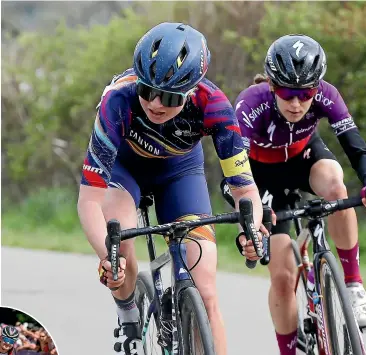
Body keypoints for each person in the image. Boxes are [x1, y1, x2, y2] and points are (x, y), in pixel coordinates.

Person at [77, 22, 265, 355]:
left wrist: (251, 230)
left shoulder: (214, 106)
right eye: (147, 91)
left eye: (169, 96)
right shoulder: (117, 101)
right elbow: (89, 200)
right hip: (124, 171)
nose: (155, 103)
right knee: (123, 245)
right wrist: (110, 257)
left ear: (193, 90)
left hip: (179, 171)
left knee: (206, 292)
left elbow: (243, 188)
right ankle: (128, 317)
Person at [231, 34, 366, 354]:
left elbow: (357, 148)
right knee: (281, 275)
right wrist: (250, 222)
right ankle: (289, 349)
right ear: (273, 87)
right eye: (288, 93)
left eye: (305, 94)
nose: (296, 103)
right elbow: (235, 176)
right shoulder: (250, 104)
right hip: (260, 179)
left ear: (316, 89)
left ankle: (353, 284)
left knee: (337, 184)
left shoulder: (327, 96)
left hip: (304, 161)